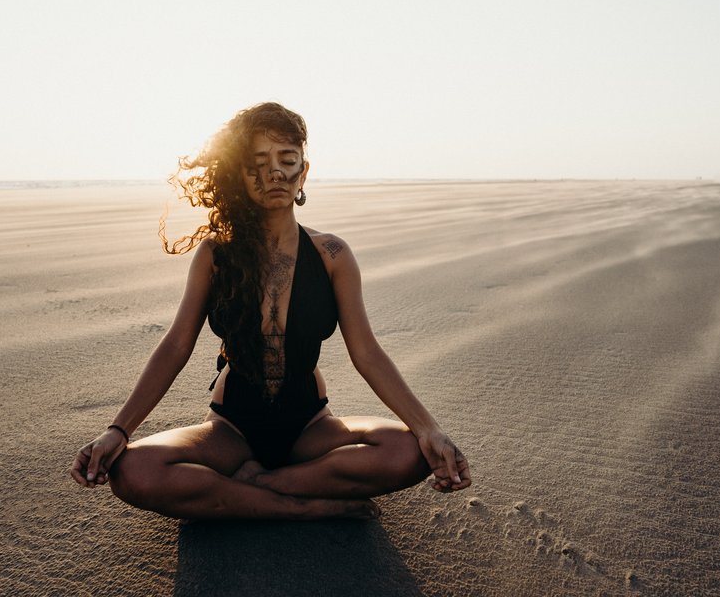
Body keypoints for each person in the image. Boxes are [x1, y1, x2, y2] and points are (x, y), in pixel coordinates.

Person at [70, 102, 471, 520]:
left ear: (304, 171)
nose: (275, 173)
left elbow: (366, 352)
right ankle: (303, 506)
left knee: (407, 451)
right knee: (134, 471)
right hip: (231, 430)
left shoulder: (332, 255)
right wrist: (119, 430)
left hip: (311, 427)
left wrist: (429, 429)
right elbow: (175, 346)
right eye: (257, 163)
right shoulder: (216, 255)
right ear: (239, 176)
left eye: (286, 159)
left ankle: (255, 490)